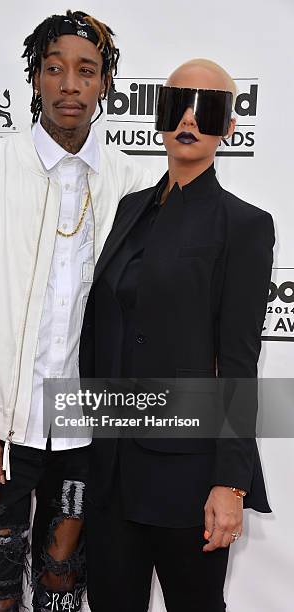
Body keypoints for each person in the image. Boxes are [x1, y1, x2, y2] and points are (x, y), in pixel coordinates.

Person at [0, 10, 151, 612]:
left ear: (105, 83)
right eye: (55, 69)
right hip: (1, 427)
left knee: (62, 583)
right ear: (34, 78)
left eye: (86, 71)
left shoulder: (134, 183)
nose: (70, 85)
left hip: (86, 430)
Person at [79, 59, 274, 612]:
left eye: (207, 108)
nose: (189, 118)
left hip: (188, 477)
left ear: (228, 128)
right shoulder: (129, 209)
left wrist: (229, 485)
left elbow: (239, 362)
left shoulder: (244, 225)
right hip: (112, 470)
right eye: (177, 105)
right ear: (160, 118)